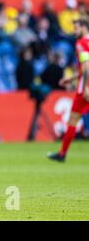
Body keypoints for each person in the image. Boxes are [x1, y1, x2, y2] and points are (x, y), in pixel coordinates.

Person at [48, 18, 89, 162]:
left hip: (83, 90)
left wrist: (85, 88)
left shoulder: (81, 44)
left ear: (84, 27)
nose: (75, 31)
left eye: (77, 28)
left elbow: (86, 68)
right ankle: (62, 153)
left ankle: (62, 154)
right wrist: (70, 79)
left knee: (72, 121)